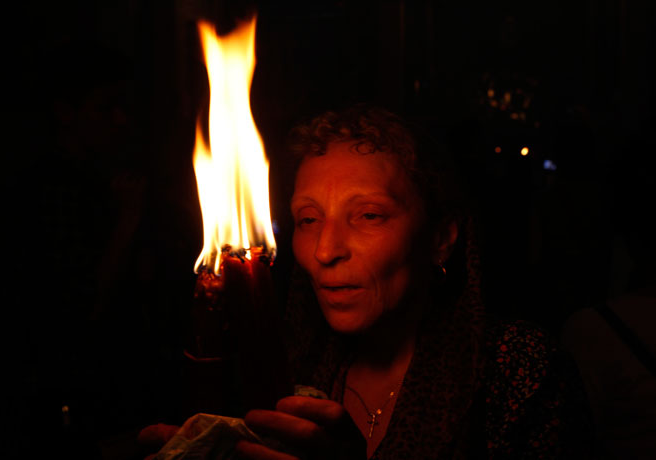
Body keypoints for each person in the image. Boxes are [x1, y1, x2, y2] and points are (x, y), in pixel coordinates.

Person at [143, 106, 594, 459]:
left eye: (369, 216)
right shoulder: (290, 370)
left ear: (440, 238)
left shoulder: (518, 371)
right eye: (308, 218)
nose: (324, 250)